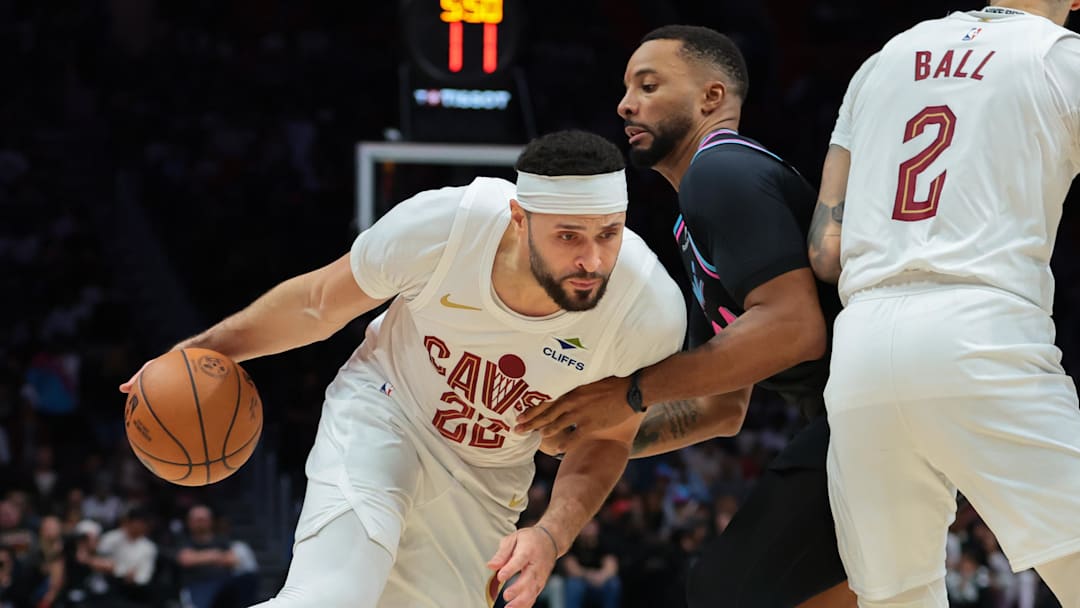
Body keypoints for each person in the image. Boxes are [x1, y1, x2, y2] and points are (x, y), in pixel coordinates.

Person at [120, 130, 686, 608]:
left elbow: (609, 436)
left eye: (609, 234)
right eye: (568, 236)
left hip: (488, 478)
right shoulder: (443, 228)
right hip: (387, 411)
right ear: (519, 218)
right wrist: (197, 352)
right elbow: (318, 303)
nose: (592, 259)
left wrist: (551, 535)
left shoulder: (646, 311)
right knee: (330, 596)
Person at [516, 26, 856, 607]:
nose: (626, 103)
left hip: (860, 413)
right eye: (626, 89)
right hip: (849, 420)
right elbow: (719, 408)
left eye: (649, 85)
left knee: (728, 593)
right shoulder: (692, 218)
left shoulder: (721, 172)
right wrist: (587, 431)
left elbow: (795, 330)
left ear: (711, 99)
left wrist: (627, 394)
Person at [805, 1, 1080, 606]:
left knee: (897, 597)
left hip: (862, 348)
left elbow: (825, 252)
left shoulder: (884, 59)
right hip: (982, 331)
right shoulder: (1060, 56)